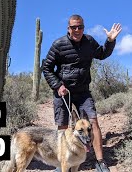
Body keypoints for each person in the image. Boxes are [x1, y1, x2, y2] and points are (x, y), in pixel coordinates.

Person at [42, 14, 122, 172]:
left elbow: (102, 54)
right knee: (64, 126)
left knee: (93, 122)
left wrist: (110, 41)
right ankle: (63, 162)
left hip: (83, 91)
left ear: (83, 27)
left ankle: (100, 161)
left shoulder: (89, 41)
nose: (77, 30)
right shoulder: (59, 44)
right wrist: (58, 85)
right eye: (74, 27)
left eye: (80, 27)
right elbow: (47, 68)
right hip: (63, 92)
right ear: (68, 28)